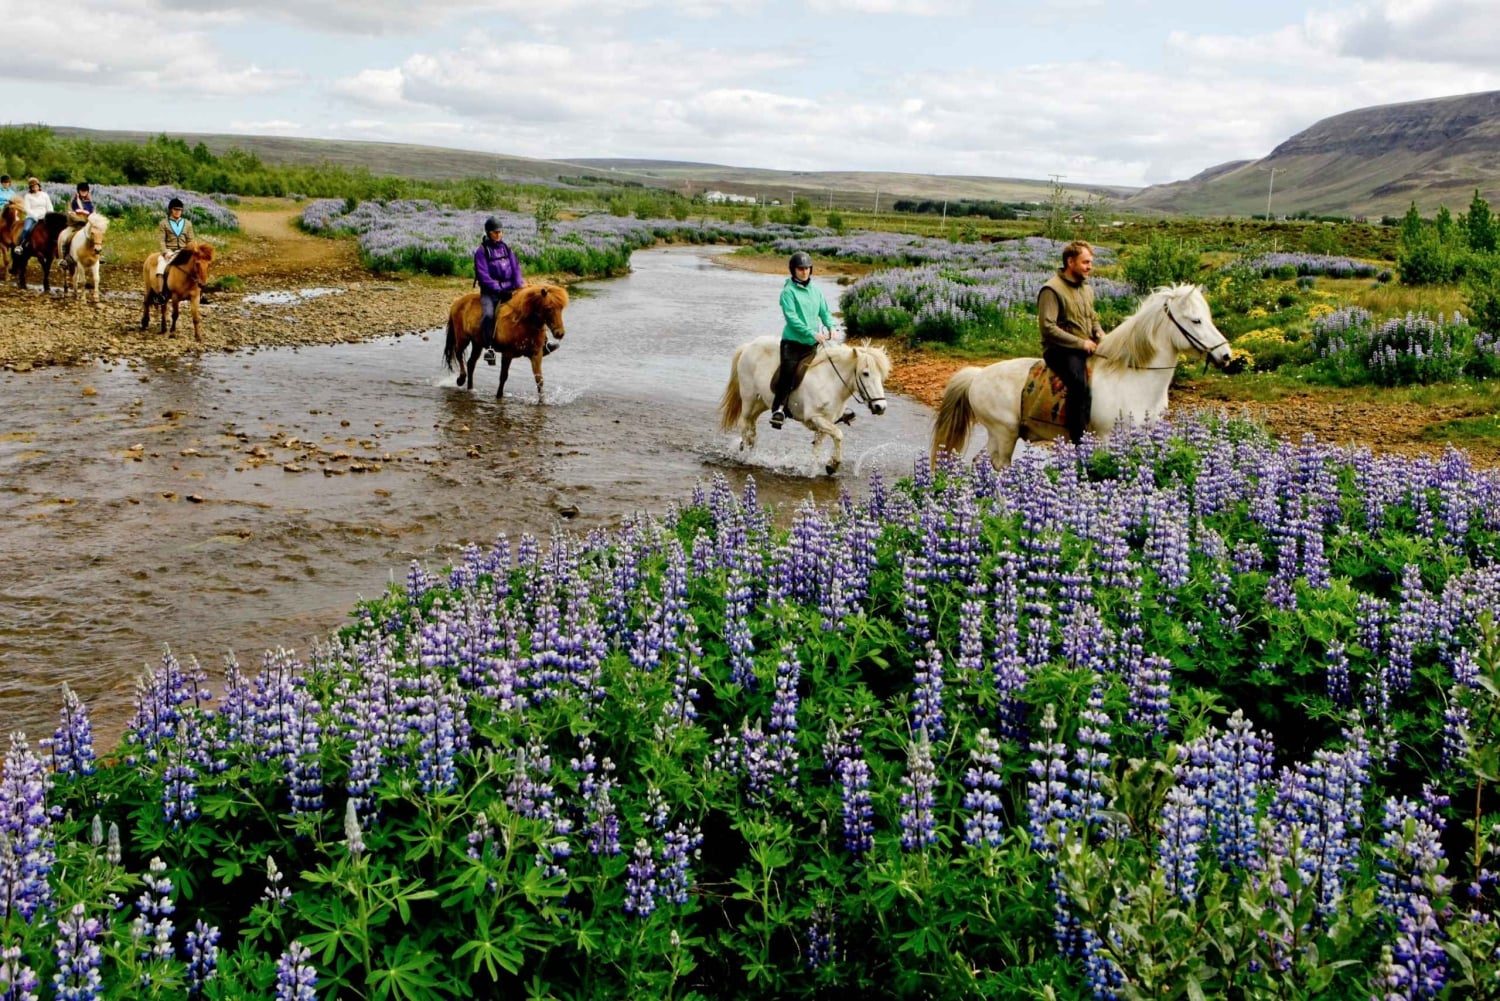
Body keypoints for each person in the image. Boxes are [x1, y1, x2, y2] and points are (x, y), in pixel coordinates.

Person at [1038, 239, 1107, 445]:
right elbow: (1048, 328)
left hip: (1084, 346)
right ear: (1070, 262)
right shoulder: (1051, 289)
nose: (1090, 267)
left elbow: (1091, 317)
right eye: (1086, 262)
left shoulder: (1086, 289)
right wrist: (1080, 343)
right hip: (1060, 350)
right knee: (1079, 384)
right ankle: (1077, 441)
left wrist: (1099, 332)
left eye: (1090, 262)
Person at [769, 250, 836, 429]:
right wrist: (812, 333)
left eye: (807, 268)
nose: (804, 272)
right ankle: (779, 409)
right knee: (788, 373)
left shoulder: (816, 290)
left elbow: (824, 312)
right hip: (793, 343)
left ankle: (832, 408)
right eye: (800, 269)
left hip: (812, 343)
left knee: (829, 369)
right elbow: (792, 318)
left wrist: (832, 327)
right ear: (793, 270)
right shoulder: (788, 292)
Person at [473, 216, 524, 366]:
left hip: (509, 289)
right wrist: (499, 289)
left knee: (530, 307)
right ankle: (489, 349)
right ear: (488, 233)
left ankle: (544, 344)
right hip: (490, 292)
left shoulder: (506, 248)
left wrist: (518, 286)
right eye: (495, 232)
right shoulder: (482, 252)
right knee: (488, 315)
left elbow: (516, 269)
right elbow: (483, 276)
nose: (498, 234)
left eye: (500, 232)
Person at [152, 197, 196, 302]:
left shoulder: (187, 224)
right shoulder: (164, 223)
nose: (178, 212)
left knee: (197, 266)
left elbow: (191, 240)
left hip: (183, 251)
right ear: (171, 210)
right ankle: (161, 294)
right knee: (161, 268)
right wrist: (165, 252)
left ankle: (198, 291)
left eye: (179, 210)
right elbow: (162, 240)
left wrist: (192, 249)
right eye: (175, 209)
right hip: (169, 251)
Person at [20, 177, 50, 244]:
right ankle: (20, 245)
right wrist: (36, 216)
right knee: (26, 229)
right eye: (32, 186)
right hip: (32, 217)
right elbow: (27, 208)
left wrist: (48, 214)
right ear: (30, 188)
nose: (35, 187)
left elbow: (49, 206)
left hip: (44, 216)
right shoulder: (28, 196)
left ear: (39, 186)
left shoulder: (45, 195)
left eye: (36, 185)